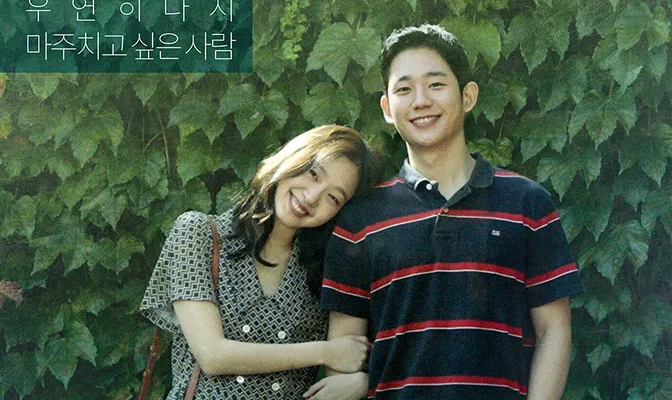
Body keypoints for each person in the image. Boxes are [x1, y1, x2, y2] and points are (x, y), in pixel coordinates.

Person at [313, 25, 584, 399]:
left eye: (436, 84)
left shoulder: (527, 204)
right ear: (387, 109)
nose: (420, 100)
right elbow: (343, 352)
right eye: (404, 89)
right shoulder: (360, 221)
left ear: (467, 96)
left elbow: (554, 331)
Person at [141, 125, 381, 399]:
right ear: (291, 159)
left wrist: (363, 383)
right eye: (313, 174)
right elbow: (213, 356)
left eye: (333, 197)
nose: (312, 197)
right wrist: (324, 352)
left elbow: (343, 371)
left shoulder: (329, 268)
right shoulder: (198, 233)